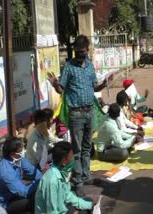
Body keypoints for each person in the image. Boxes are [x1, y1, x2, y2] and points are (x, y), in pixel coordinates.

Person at [47, 34, 113, 196]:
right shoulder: (69, 67)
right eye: (77, 52)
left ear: (87, 50)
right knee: (76, 150)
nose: (80, 55)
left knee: (86, 147)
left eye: (82, 52)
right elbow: (62, 90)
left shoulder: (90, 66)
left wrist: (105, 83)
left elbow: (94, 87)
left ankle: (86, 175)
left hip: (89, 111)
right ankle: (78, 181)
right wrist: (56, 85)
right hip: (75, 114)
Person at [35, 141, 94, 213]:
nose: (73, 159)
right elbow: (52, 211)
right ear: (64, 161)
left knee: (88, 202)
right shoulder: (51, 181)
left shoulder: (62, 173)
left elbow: (67, 195)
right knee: (83, 212)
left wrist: (88, 205)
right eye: (71, 157)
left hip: (61, 207)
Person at [0, 137, 42, 213]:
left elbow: (33, 170)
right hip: (5, 203)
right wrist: (40, 182)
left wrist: (41, 178)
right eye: (20, 151)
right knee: (32, 201)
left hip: (15, 194)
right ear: (12, 154)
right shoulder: (6, 172)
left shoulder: (18, 159)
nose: (22, 153)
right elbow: (24, 192)